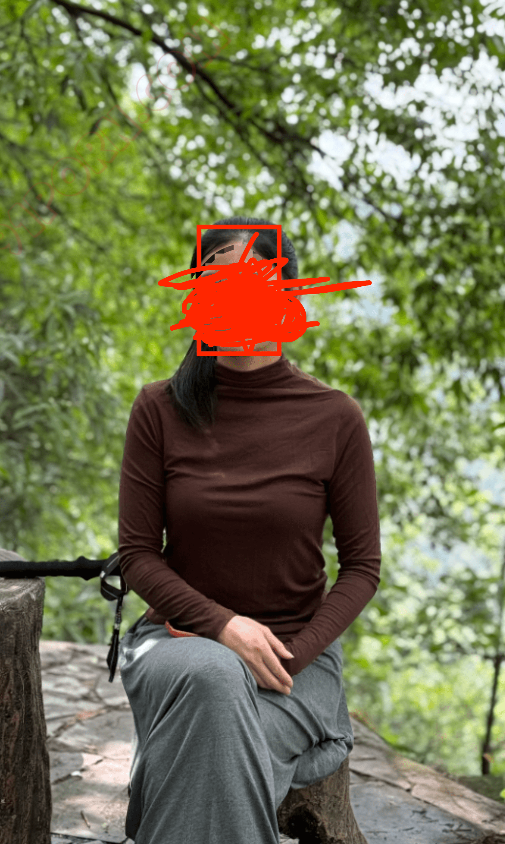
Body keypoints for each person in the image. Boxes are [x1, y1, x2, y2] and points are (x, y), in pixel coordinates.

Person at [117, 215, 381, 844]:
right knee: (214, 677)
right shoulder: (159, 408)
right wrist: (223, 627)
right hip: (177, 646)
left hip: (293, 662)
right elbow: (136, 555)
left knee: (205, 754)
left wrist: (293, 654)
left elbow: (362, 568)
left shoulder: (334, 417)